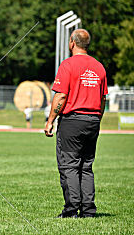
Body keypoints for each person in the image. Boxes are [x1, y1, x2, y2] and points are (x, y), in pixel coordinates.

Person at [44, 29, 108, 218]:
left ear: (72, 42)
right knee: (86, 166)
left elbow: (61, 95)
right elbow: (103, 99)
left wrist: (50, 121)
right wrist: (97, 118)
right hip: (93, 119)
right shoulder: (99, 67)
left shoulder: (68, 65)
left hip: (72, 121)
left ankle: (71, 209)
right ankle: (88, 210)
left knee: (69, 165)